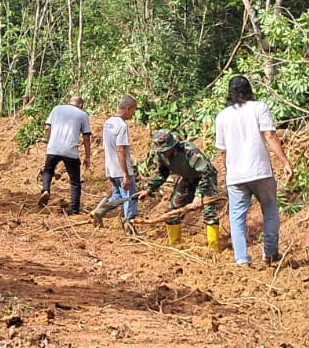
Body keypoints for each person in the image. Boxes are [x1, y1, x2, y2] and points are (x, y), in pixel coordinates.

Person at [215, 76, 291, 265]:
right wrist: (285, 162)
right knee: (271, 210)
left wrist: (228, 171)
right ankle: (270, 254)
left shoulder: (222, 116)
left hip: (236, 175)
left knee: (237, 216)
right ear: (249, 90)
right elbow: (270, 135)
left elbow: (222, 151)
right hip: (260, 171)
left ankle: (241, 258)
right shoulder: (259, 108)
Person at [136, 130, 220, 247]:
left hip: (205, 178)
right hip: (187, 178)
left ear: (173, 146)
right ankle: (175, 245)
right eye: (160, 151)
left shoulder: (189, 151)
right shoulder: (161, 155)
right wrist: (149, 189)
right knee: (172, 211)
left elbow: (207, 171)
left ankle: (214, 247)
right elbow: (162, 174)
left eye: (165, 150)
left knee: (209, 212)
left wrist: (199, 194)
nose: (163, 153)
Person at [90, 95, 139, 233]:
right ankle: (130, 228)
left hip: (111, 168)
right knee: (130, 197)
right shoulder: (122, 126)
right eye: (133, 111)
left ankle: (99, 211)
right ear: (128, 108)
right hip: (121, 169)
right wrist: (125, 174)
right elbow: (120, 149)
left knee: (118, 196)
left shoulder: (108, 122)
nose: (133, 114)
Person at [38, 95, 92, 215]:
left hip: (53, 147)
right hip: (70, 151)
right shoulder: (82, 115)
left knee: (48, 170)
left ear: (69, 102)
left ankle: (46, 189)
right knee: (74, 181)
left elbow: (47, 128)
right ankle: (74, 209)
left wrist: (47, 141)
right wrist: (88, 156)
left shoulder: (57, 109)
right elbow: (86, 137)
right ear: (81, 105)